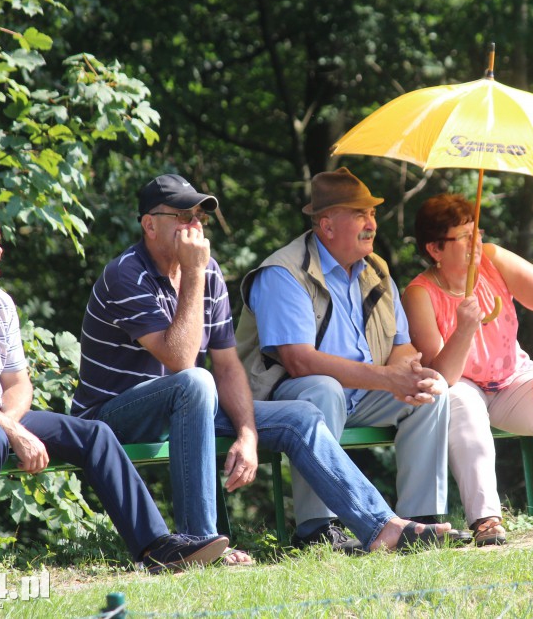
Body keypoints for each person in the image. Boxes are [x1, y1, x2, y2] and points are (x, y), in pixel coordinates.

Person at [72, 173, 455, 560]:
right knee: (195, 382)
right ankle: (199, 540)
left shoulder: (208, 272)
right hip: (112, 417)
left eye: (199, 218)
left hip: (190, 407)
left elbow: (227, 366)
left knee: (301, 416)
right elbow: (181, 360)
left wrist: (248, 432)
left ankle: (379, 527)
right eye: (182, 217)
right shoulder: (127, 273)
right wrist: (192, 273)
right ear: (149, 224)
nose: (195, 227)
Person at [0, 201, 228, 577]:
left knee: (95, 434)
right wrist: (12, 430)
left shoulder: (0, 303)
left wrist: (10, 424)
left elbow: (19, 385)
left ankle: (156, 547)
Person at [236, 167, 455, 537]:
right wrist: (386, 378)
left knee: (432, 390)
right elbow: (298, 361)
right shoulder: (283, 272)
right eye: (359, 214)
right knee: (323, 389)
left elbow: (401, 344)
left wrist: (405, 375)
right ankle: (319, 527)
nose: (371, 223)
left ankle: (422, 521)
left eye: (372, 213)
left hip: (360, 391)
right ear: (327, 224)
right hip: (283, 398)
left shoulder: (377, 270)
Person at [401, 193, 533, 544]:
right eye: (464, 237)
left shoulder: (493, 260)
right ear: (435, 249)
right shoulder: (419, 293)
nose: (477, 243)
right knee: (460, 402)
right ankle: (487, 521)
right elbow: (443, 377)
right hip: (462, 383)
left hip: (512, 377)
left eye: (477, 232)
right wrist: (464, 327)